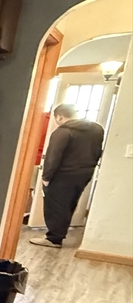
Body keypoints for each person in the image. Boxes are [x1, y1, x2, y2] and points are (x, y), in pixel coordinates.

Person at [31, 103, 105, 248]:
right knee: (69, 204)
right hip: (85, 173)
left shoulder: (62, 132)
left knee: (56, 206)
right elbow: (98, 151)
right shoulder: (96, 129)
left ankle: (54, 238)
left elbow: (53, 156)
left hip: (62, 175)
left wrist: (46, 177)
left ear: (60, 116)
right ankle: (58, 235)